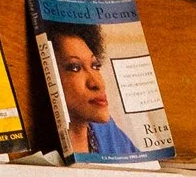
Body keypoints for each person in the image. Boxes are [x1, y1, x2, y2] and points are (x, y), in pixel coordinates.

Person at [45, 22, 144, 159]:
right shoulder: (41, 141)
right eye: (75, 68)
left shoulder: (107, 131)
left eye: (95, 66)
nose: (97, 83)